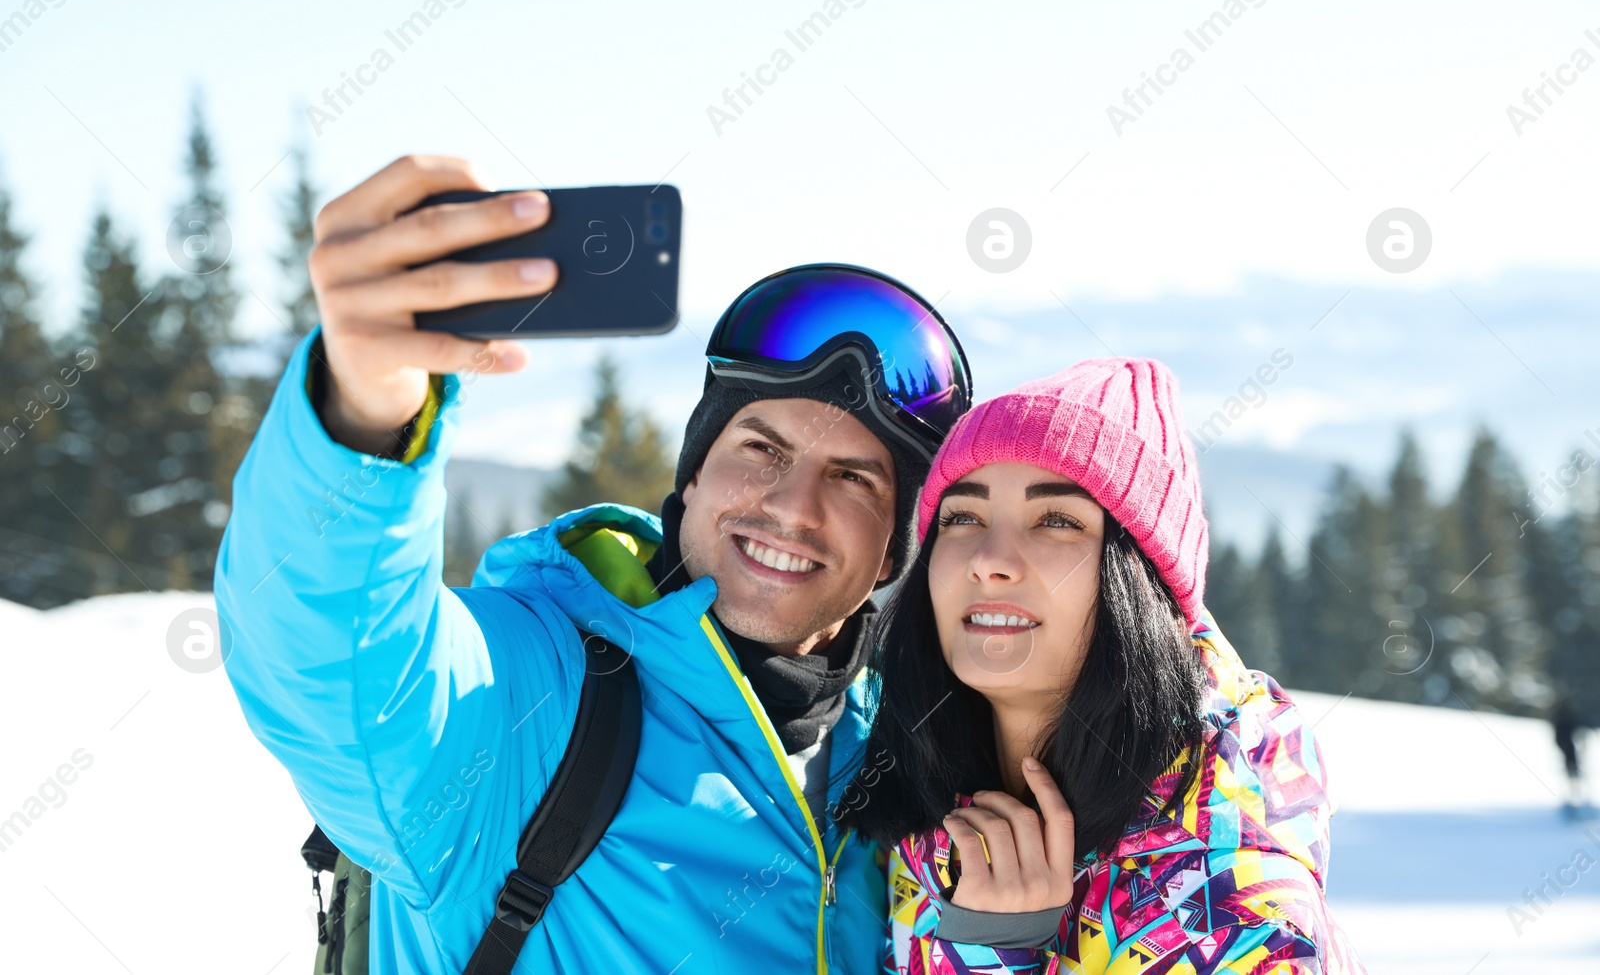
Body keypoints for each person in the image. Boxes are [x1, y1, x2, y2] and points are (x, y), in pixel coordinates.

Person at [212, 155, 973, 973]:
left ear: (896, 539)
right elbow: (335, 663)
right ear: (692, 474)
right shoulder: (534, 702)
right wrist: (362, 410)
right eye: (762, 448)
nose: (792, 506)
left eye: (852, 478)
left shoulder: (911, 759)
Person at [839, 359, 1365, 973]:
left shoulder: (1243, 926)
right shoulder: (916, 804)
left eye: (1057, 521)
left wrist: (988, 953)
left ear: (1142, 583)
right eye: (962, 517)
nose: (989, 560)